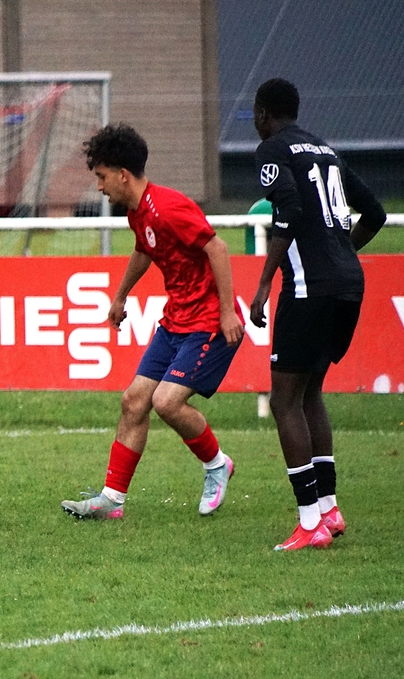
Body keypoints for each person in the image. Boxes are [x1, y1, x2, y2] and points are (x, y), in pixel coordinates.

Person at [61, 124, 245, 521]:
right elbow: (144, 250)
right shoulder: (138, 212)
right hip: (176, 322)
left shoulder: (169, 208)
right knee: (134, 401)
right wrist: (120, 296)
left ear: (123, 175)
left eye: (102, 176)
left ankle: (217, 465)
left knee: (166, 402)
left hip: (208, 322)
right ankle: (112, 500)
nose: (99, 186)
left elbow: (217, 247)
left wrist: (227, 311)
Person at [249, 78, 386, 551]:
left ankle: (310, 522)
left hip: (309, 288)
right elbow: (375, 213)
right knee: (309, 393)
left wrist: (264, 282)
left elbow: (287, 210)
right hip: (349, 284)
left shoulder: (273, 149)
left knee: (284, 399)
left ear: (264, 114)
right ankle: (329, 509)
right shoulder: (325, 151)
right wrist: (341, 253)